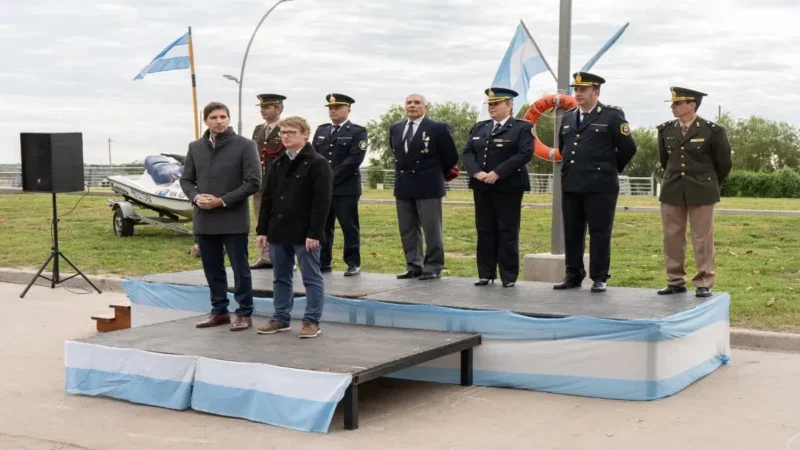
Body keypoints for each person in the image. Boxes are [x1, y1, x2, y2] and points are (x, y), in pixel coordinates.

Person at [180, 102, 262, 331]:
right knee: (212, 268)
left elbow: (254, 182)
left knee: (239, 268)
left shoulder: (246, 145)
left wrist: (222, 200)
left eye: (223, 116)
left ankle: (245, 313)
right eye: (214, 117)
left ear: (229, 118)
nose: (219, 121)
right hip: (204, 218)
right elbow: (186, 180)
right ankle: (219, 311)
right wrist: (196, 198)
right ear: (205, 120)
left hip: (232, 217)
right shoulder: (195, 147)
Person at [553, 72, 637, 293]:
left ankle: (599, 276)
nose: (578, 94)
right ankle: (573, 274)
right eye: (576, 90)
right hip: (572, 184)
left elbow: (629, 148)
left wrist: (608, 168)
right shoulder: (569, 117)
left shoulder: (611, 116)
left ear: (596, 92)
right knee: (572, 231)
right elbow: (564, 148)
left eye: (583, 90)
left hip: (601, 186)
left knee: (599, 232)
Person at [255, 116, 333, 338]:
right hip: (279, 230)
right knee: (280, 276)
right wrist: (263, 230)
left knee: (311, 277)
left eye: (291, 132)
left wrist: (315, 232)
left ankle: (311, 321)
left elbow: (322, 201)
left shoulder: (318, 163)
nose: (286, 136)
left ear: (305, 134)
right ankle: (281, 317)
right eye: (283, 133)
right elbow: (267, 198)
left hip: (305, 232)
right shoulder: (279, 163)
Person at [656, 87, 732, 297]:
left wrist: (707, 183)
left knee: (702, 238)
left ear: (692, 105)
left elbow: (723, 163)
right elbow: (665, 161)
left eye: (677, 103)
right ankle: (675, 280)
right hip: (673, 189)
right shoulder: (665, 130)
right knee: (671, 236)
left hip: (702, 190)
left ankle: (704, 281)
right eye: (672, 103)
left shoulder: (712, 131)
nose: (673, 107)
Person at [462, 87, 533, 287]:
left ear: (509, 105)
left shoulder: (521, 128)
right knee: (484, 230)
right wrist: (477, 173)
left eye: (496, 104)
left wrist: (497, 173)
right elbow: (467, 152)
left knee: (507, 230)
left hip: (508, 186)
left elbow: (524, 153)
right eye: (490, 104)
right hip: (482, 186)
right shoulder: (480, 127)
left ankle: (508, 276)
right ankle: (485, 273)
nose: (491, 107)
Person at [389, 94, 459, 280]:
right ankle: (414, 265)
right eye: (409, 102)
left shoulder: (437, 128)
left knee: (431, 228)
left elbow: (451, 156)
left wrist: (434, 173)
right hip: (404, 186)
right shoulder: (396, 128)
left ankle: (433, 265)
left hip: (428, 186)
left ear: (426, 107)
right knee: (407, 229)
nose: (412, 106)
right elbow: (398, 154)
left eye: (417, 102)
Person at [311, 93, 369, 277]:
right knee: (323, 226)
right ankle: (323, 261)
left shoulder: (357, 132)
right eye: (330, 108)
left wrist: (328, 178)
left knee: (349, 226)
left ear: (348, 110)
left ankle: (353, 262)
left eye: (337, 108)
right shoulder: (322, 130)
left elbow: (354, 159)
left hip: (346, 187)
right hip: (323, 189)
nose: (333, 110)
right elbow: (314, 156)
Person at [250, 93, 286, 270]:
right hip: (259, 185)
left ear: (279, 108)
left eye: (267, 107)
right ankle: (265, 257)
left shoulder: (286, 129)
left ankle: (283, 258)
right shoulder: (258, 130)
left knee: (281, 221)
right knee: (260, 221)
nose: (263, 110)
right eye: (262, 107)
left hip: (279, 184)